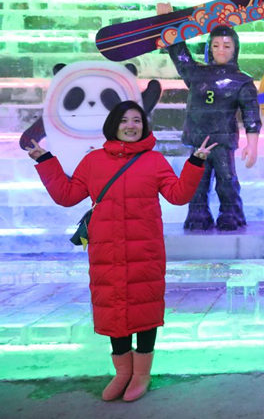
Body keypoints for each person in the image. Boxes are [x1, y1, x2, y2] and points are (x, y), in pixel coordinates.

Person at [25, 100, 215, 402]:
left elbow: (178, 196)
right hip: (106, 251)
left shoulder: (155, 161)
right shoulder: (93, 161)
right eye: (124, 120)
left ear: (144, 126)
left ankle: (141, 375)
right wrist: (45, 160)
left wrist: (195, 162)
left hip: (145, 250)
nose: (131, 126)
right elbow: (67, 195)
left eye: (137, 120)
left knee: (145, 308)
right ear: (113, 125)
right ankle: (123, 373)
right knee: (114, 309)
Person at [157, 3, 262, 231]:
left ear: (235, 49)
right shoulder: (197, 73)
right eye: (216, 45)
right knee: (197, 181)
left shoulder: (242, 81)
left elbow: (251, 113)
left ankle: (231, 213)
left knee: (227, 180)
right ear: (209, 48)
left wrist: (252, 145)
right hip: (198, 139)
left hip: (222, 141)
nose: (221, 50)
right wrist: (167, 22)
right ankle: (198, 214)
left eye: (227, 45)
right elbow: (180, 54)